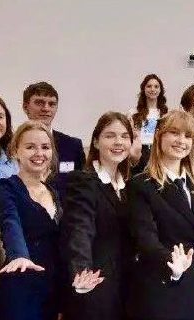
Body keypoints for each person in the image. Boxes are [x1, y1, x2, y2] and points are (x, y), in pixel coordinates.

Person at [126, 110, 194, 320]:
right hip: (161, 289)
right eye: (174, 133)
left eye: (188, 136)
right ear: (159, 136)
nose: (181, 141)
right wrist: (172, 264)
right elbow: (146, 240)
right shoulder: (140, 185)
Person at [60, 112, 136, 320]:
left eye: (124, 136)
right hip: (96, 286)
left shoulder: (129, 186)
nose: (118, 142)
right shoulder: (84, 181)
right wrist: (82, 272)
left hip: (126, 288)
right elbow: (79, 230)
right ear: (95, 142)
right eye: (110, 136)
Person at [0, 121, 64, 320]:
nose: (39, 153)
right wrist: (18, 255)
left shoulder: (54, 192)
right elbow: (9, 222)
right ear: (15, 151)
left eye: (45, 147)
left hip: (51, 287)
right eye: (30, 147)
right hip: (20, 283)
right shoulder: (6, 187)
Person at [22, 82, 85, 195]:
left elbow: (82, 187)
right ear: (25, 107)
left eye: (51, 104)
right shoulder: (14, 145)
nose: (46, 108)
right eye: (39, 103)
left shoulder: (73, 145)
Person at [129, 74, 168, 176]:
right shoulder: (133, 112)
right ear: (144, 89)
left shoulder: (165, 113)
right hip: (140, 151)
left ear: (160, 90)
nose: (152, 89)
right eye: (149, 86)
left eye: (156, 86)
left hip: (158, 151)